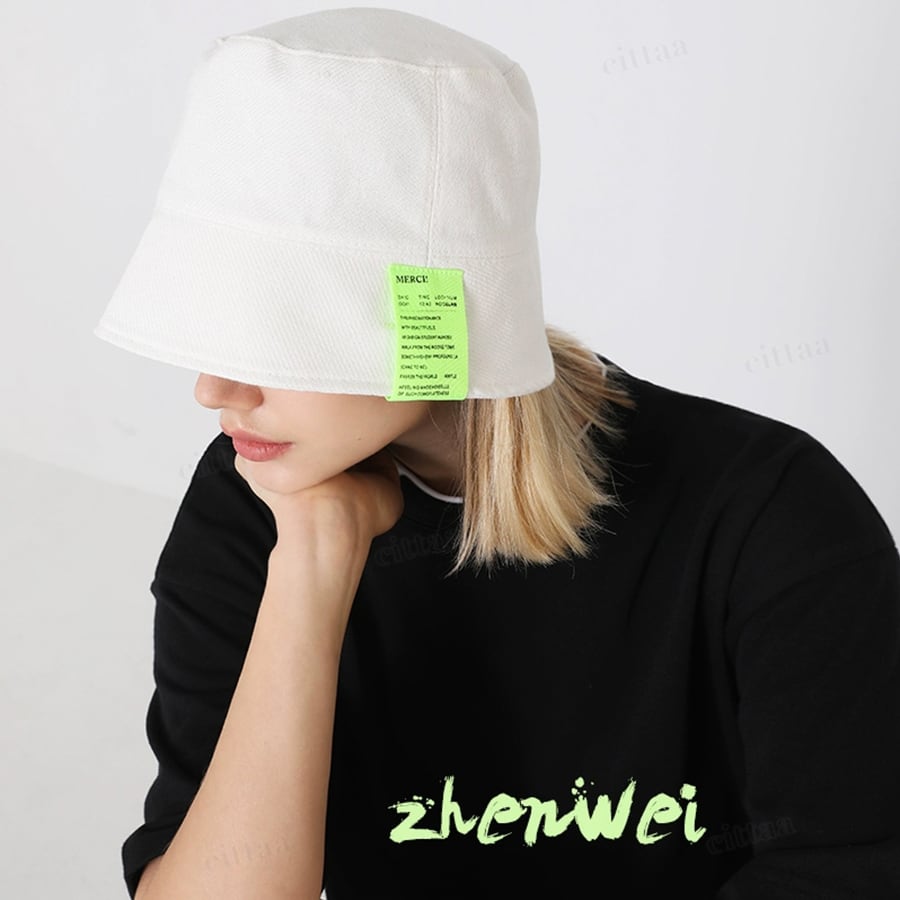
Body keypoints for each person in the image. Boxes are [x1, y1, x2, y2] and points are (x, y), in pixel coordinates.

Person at [93, 9, 900, 899]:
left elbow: (842, 872)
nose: (214, 389)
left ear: (428, 322)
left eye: (274, 329)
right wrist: (311, 566)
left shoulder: (769, 518)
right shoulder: (255, 502)